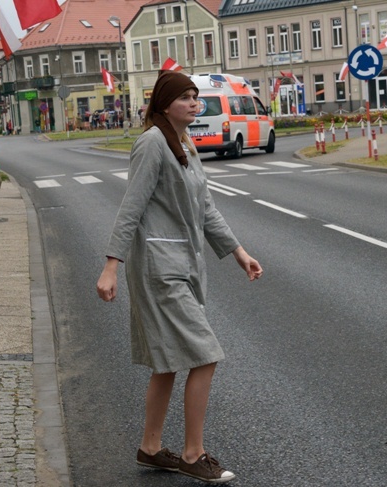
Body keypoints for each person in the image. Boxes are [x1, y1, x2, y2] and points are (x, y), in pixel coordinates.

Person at [96, 70, 263, 484]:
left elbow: (205, 206)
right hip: (159, 267)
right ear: (164, 104)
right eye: (186, 97)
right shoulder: (151, 144)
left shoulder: (183, 142)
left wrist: (238, 252)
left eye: (196, 96)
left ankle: (150, 448)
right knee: (204, 354)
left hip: (183, 263)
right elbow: (130, 208)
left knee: (167, 363)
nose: (194, 102)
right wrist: (110, 265)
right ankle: (193, 453)